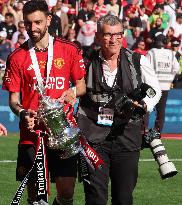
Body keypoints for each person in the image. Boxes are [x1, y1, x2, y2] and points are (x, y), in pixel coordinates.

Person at [2, 1, 86, 205]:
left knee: (66, 194)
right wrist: (23, 113)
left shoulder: (69, 49)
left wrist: (71, 92)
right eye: (28, 24)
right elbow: (13, 100)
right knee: (35, 198)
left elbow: (82, 86)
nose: (33, 28)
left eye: (38, 22)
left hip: (62, 132)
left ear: (48, 20)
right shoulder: (16, 57)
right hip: (32, 135)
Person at [77, 14, 161, 205]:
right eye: (107, 35)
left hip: (127, 138)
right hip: (94, 138)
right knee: (95, 198)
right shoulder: (86, 61)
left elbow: (155, 89)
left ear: (123, 35)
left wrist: (145, 105)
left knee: (123, 199)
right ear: (98, 36)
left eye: (117, 34)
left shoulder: (138, 61)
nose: (113, 40)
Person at [146, 34, 180, 132]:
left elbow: (145, 68)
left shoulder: (151, 52)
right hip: (165, 86)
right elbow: (177, 69)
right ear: (164, 42)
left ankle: (143, 132)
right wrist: (170, 78)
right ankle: (157, 133)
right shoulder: (171, 53)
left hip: (152, 87)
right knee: (161, 111)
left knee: (147, 109)